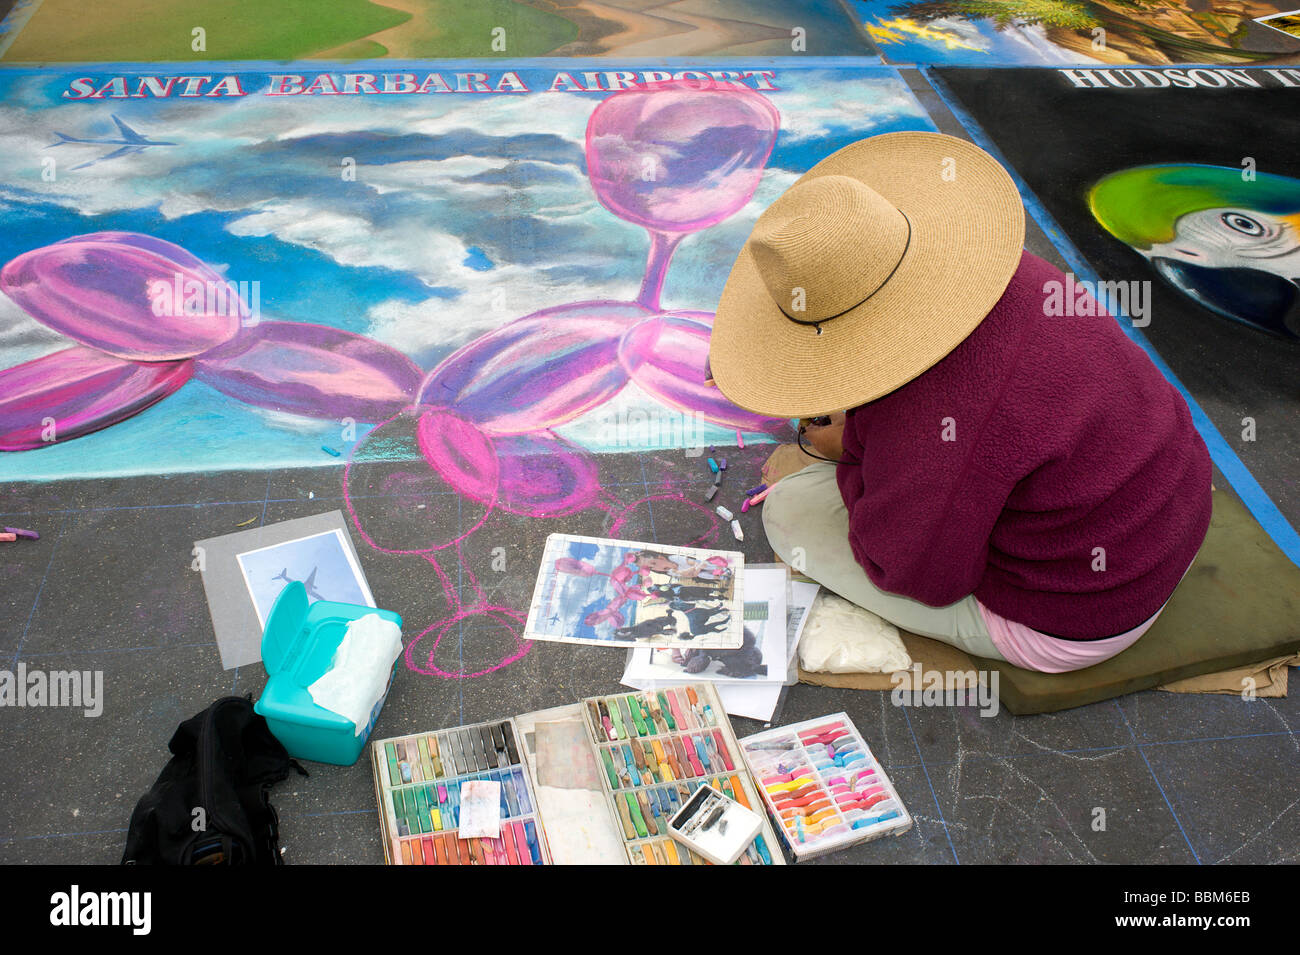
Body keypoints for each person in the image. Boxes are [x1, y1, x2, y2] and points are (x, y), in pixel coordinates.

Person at [707, 132, 1212, 673]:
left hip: (1083, 614)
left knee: (792, 508)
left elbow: (921, 577)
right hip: (1173, 515)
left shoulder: (933, 423)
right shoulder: (999, 270)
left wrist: (849, 450)